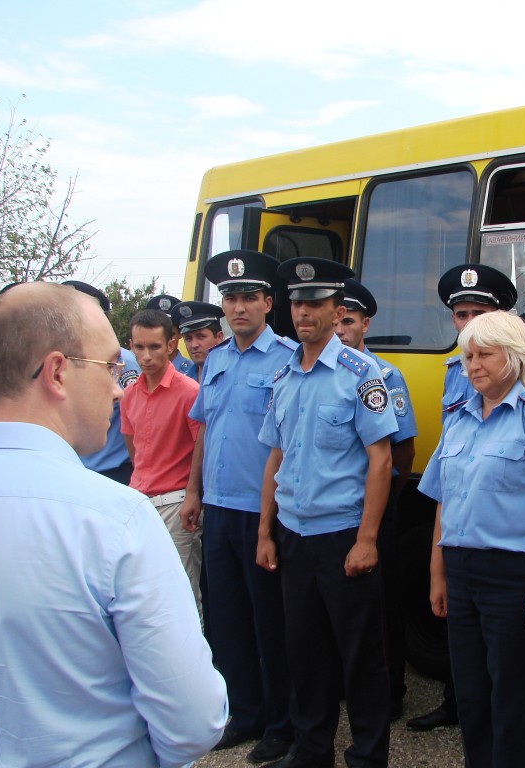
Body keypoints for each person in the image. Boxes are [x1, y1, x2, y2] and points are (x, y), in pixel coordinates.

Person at [0, 282, 228, 766]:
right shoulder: (117, 520)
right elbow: (193, 720)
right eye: (110, 366)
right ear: (57, 372)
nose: (120, 386)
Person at [418, 310, 525, 768]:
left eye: (484, 354)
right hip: (462, 572)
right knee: (471, 694)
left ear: (514, 356)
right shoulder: (460, 420)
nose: (472, 365)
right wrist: (438, 574)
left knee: (514, 700)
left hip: (513, 578)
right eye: (467, 356)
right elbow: (443, 502)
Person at [257, 257, 398, 768]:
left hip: (343, 536)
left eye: (314, 304)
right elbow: (275, 454)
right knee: (305, 653)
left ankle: (367, 756)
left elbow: (381, 459)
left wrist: (367, 539)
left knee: (360, 657)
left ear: (337, 310)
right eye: (296, 303)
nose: (303, 313)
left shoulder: (363, 375)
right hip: (294, 535)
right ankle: (311, 750)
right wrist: (264, 532)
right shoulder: (284, 376)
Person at [179, 251, 297, 761]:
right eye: (230, 297)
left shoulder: (288, 359)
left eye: (249, 296)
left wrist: (272, 522)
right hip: (219, 507)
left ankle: (281, 722)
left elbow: (291, 441)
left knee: (269, 621)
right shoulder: (217, 359)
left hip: (261, 511)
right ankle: (243, 713)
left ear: (268, 303)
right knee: (226, 621)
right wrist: (192, 490)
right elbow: (205, 428)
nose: (238, 306)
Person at [406, 262, 525, 732]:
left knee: (502, 643)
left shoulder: (513, 378)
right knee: (459, 623)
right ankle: (457, 704)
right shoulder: (454, 370)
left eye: (479, 312)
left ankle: (500, 721)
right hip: (457, 513)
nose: (468, 323)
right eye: (461, 314)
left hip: (499, 529)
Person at [334, 278, 418, 719]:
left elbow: (403, 449)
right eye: (337, 320)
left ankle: (389, 692)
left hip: (374, 506)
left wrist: (386, 498)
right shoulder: (322, 371)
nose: (341, 329)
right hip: (336, 509)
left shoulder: (384, 376)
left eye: (349, 321)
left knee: (381, 604)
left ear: (365, 324)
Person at [120, 308, 204, 618]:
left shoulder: (189, 392)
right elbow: (135, 449)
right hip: (140, 501)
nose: (145, 356)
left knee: (182, 591)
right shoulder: (129, 394)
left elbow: (200, 447)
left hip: (176, 503)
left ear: (171, 344)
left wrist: (192, 494)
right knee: (142, 590)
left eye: (154, 347)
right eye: (138, 347)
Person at [65, 279, 141, 484]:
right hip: (71, 468)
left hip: (111, 472)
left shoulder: (123, 361)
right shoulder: (60, 359)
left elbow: (135, 418)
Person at [170, 299, 225, 380]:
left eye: (201, 337)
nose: (194, 345)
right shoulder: (181, 380)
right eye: (188, 338)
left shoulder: (231, 377)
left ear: (219, 337)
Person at [146, 293, 196, 378]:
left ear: (180, 333)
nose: (163, 340)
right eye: (157, 334)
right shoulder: (141, 369)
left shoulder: (192, 372)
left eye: (169, 334)